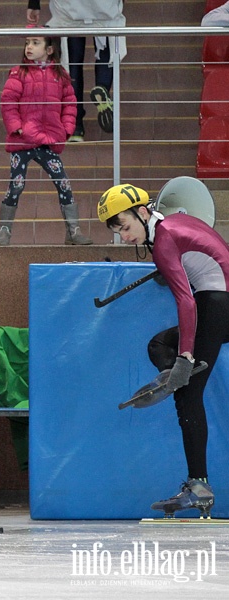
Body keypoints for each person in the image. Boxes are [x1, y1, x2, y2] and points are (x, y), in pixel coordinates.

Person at [98, 183, 229, 518]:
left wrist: (185, 356)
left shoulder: (165, 238)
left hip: (217, 303)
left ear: (143, 213)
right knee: (160, 345)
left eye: (125, 227)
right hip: (218, 299)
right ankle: (178, 378)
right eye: (117, 232)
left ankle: (199, 488)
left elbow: (186, 301)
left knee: (187, 395)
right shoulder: (172, 225)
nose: (124, 237)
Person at [0, 30, 92, 246]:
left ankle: (73, 231)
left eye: (35, 43)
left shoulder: (60, 75)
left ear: (49, 50)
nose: (29, 47)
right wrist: (17, 128)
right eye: (27, 43)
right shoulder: (18, 73)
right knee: (16, 185)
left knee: (63, 182)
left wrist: (67, 129)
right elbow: (8, 103)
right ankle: (4, 231)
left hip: (48, 141)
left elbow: (70, 104)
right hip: (22, 143)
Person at [27, 1, 126, 142]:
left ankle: (76, 126)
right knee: (106, 49)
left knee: (73, 64)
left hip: (69, 8)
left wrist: (34, 4)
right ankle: (102, 87)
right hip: (105, 7)